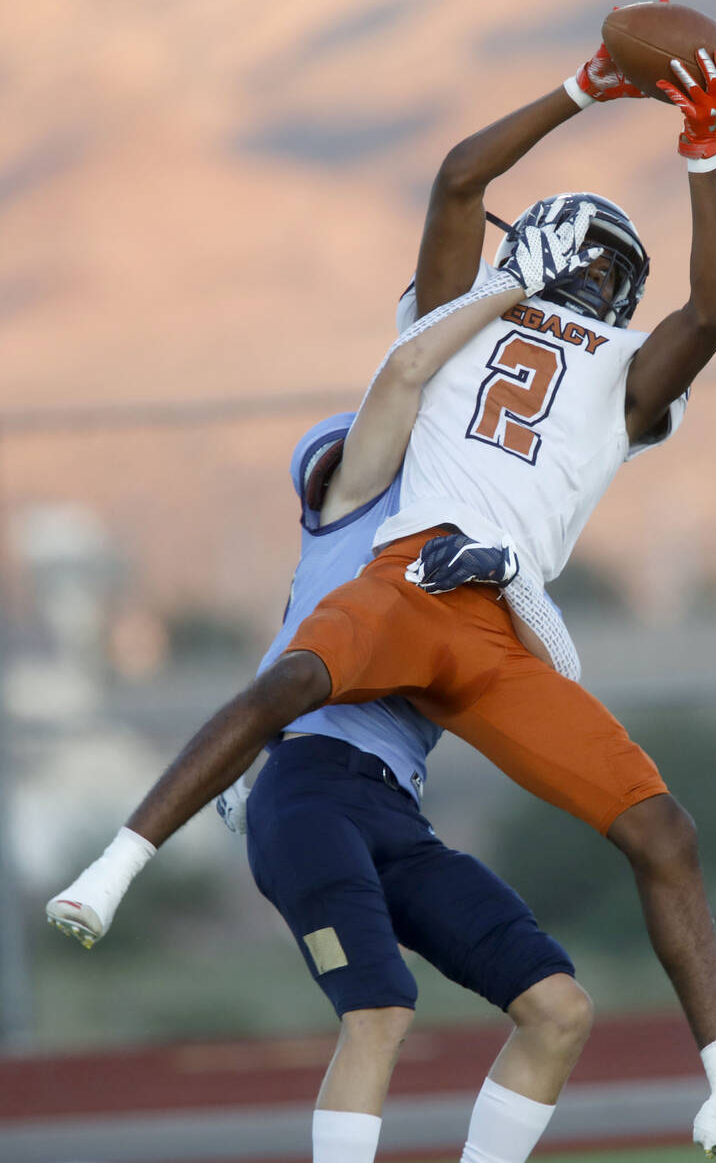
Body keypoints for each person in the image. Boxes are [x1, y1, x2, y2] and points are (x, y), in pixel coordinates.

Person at [48, 33, 716, 1162]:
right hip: (418, 580)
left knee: (659, 829)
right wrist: (586, 102)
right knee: (288, 684)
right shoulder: (453, 325)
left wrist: (698, 152)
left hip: (496, 626)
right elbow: (460, 190)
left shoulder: (613, 370)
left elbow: (705, 315)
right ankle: (122, 859)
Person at [49, 209, 603, 1163]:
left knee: (558, 1008)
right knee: (380, 1011)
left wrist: (509, 573)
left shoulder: (478, 518)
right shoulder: (355, 492)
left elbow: (559, 685)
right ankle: (118, 862)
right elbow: (402, 381)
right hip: (307, 783)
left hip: (396, 809)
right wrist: (505, 286)